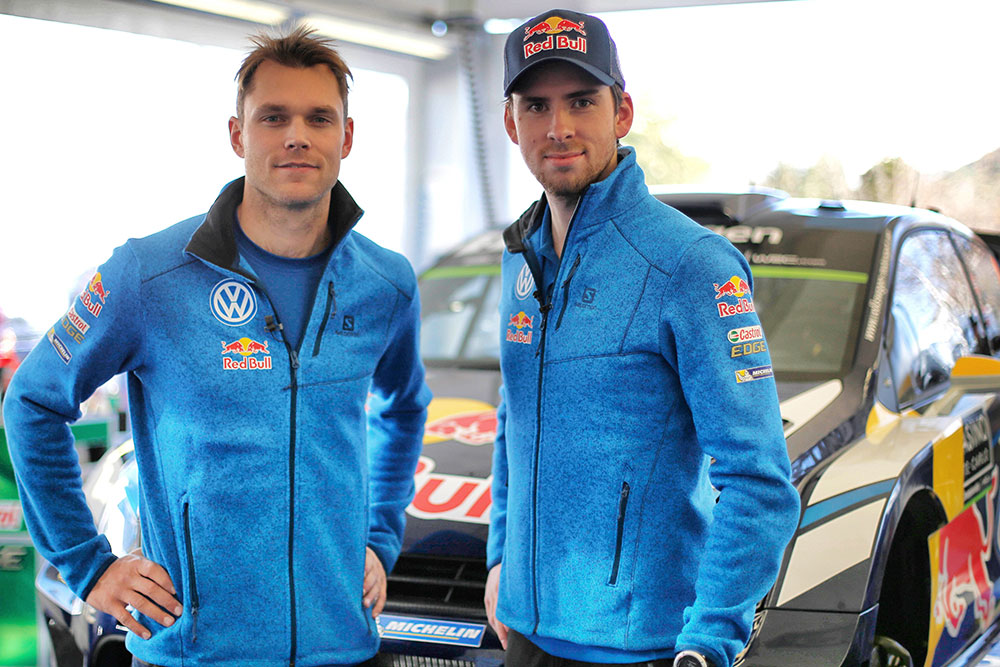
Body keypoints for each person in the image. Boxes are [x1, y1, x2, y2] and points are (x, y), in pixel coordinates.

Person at [3, 27, 430, 667]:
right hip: (194, 649)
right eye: (273, 117)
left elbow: (403, 406)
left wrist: (378, 536)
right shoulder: (148, 276)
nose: (297, 136)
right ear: (237, 135)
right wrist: (89, 566)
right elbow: (33, 403)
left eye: (318, 118)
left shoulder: (385, 284)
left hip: (341, 643)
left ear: (346, 137)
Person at [483, 9, 800, 667]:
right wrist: (500, 561)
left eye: (581, 101)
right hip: (526, 637)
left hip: (643, 647)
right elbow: (516, 420)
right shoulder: (521, 256)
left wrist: (709, 638)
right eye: (536, 105)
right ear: (512, 123)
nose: (558, 127)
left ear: (621, 112)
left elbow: (759, 480)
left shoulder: (689, 264)